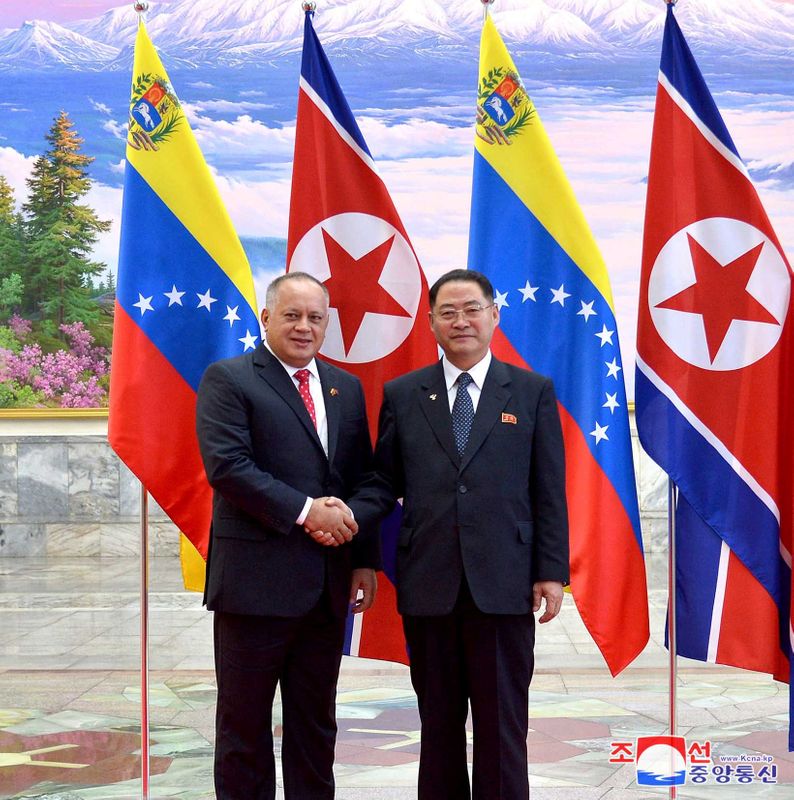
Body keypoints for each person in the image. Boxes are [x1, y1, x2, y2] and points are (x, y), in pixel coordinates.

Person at [351, 268, 569, 800]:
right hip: (429, 584)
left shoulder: (531, 391)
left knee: (502, 727)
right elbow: (382, 482)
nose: (461, 321)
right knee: (439, 727)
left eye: (472, 309)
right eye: (447, 312)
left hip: (505, 582)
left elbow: (549, 487)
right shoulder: (404, 394)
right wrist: (356, 541)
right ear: (430, 323)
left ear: (495, 315)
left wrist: (550, 570)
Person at [195, 271, 380, 800]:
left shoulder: (346, 387)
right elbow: (228, 467)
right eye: (293, 315)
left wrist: (362, 555)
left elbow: (359, 477)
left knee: (315, 724)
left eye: (315, 317)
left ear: (327, 325)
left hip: (326, 586)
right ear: (267, 318)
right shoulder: (229, 379)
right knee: (244, 727)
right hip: (254, 587)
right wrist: (306, 512)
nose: (304, 327)